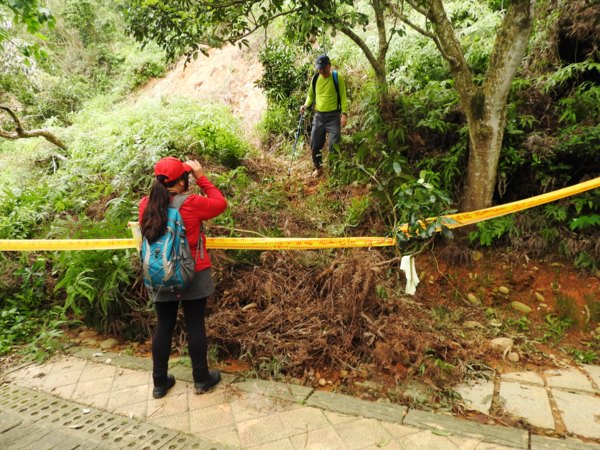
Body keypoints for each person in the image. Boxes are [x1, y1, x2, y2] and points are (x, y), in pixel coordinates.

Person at [139, 156, 227, 399]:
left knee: (163, 325)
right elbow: (220, 203)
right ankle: (201, 379)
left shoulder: (145, 204)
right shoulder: (191, 203)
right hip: (193, 272)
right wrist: (202, 177)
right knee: (195, 324)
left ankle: (159, 383)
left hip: (160, 272)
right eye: (186, 176)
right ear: (181, 181)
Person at [300, 54, 348, 178]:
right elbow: (311, 95)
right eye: (319, 69)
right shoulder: (316, 78)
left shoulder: (337, 77)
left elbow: (343, 96)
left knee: (334, 145)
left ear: (329, 66)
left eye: (323, 69)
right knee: (315, 144)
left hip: (333, 117)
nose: (321, 71)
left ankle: (334, 171)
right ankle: (318, 167)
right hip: (319, 116)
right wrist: (306, 105)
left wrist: (344, 114)